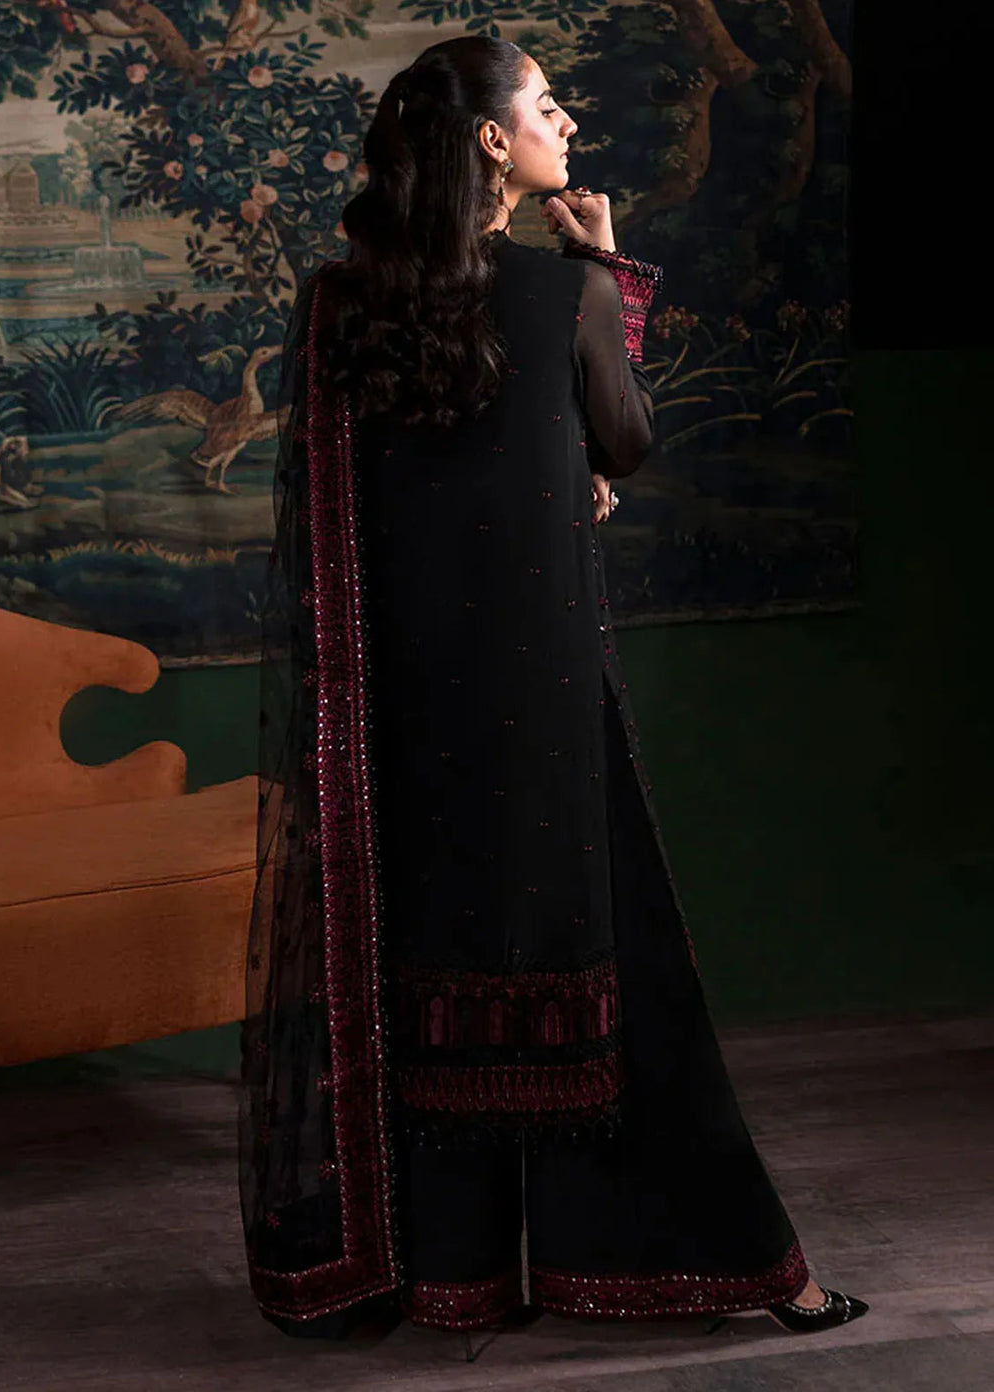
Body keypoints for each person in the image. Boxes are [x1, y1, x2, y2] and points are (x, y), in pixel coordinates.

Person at [238, 34, 869, 1340]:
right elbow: (623, 440)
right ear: (490, 140)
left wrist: (550, 469)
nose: (566, 122)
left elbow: (380, 494)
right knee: (612, 961)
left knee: (428, 959)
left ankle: (454, 1279)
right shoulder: (561, 290)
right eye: (544, 104)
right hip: (541, 694)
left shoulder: (340, 303)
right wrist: (607, 280)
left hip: (403, 713)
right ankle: (738, 1267)